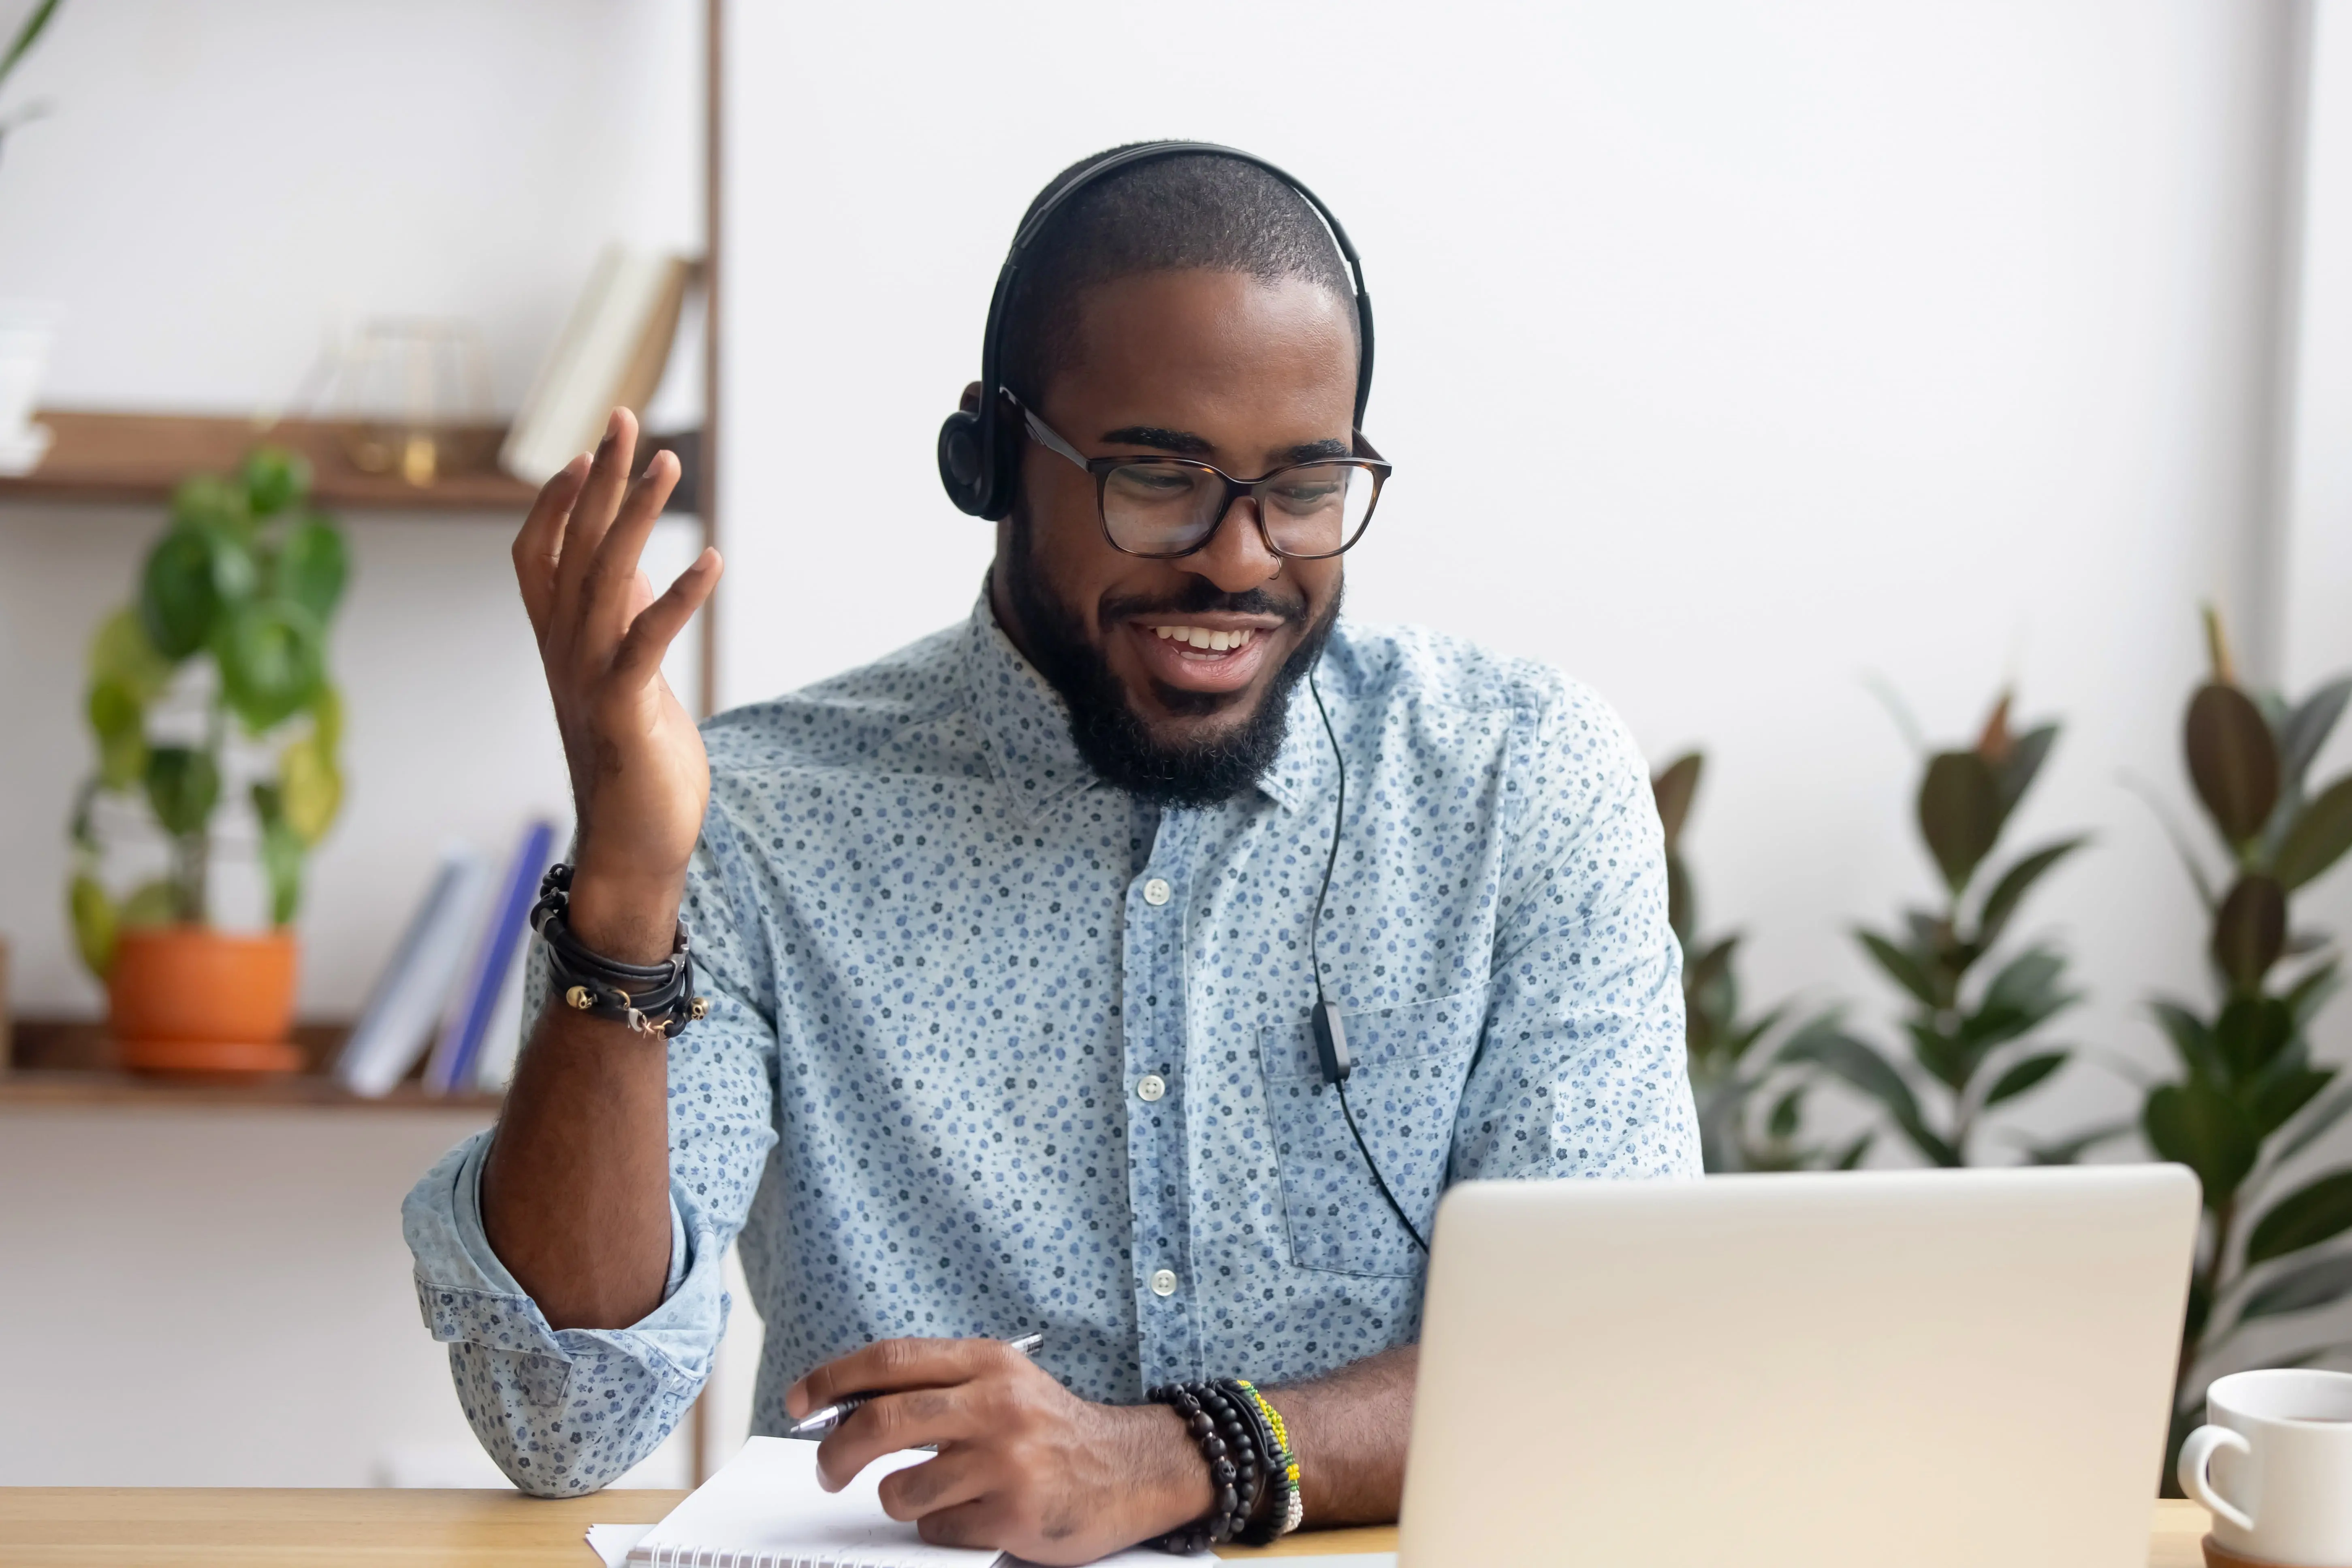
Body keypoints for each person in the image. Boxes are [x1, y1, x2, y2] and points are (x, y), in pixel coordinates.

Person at [404, 145, 1697, 1564]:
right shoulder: (753, 818)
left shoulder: (1516, 781)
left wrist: (1173, 1457)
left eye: (1305, 486)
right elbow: (558, 1420)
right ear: (989, 460)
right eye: (1159, 478)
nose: (1241, 560)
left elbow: (1606, 1358)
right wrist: (629, 887)